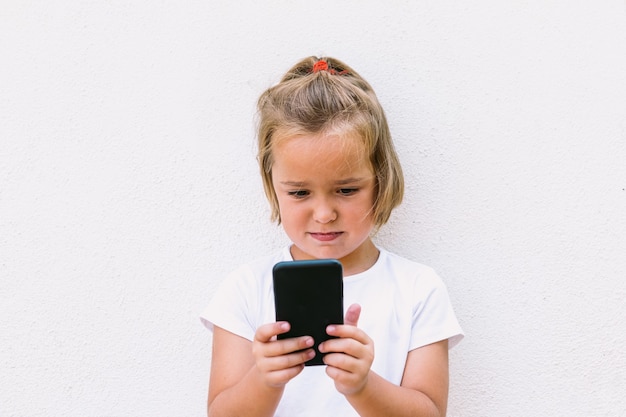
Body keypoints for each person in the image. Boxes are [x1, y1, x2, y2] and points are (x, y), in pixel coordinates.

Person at [200, 56, 463, 417]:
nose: (324, 215)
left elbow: (430, 412)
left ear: (380, 182)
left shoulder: (418, 288)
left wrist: (363, 386)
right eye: (299, 193)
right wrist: (265, 379)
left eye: (346, 190)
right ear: (272, 186)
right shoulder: (245, 288)